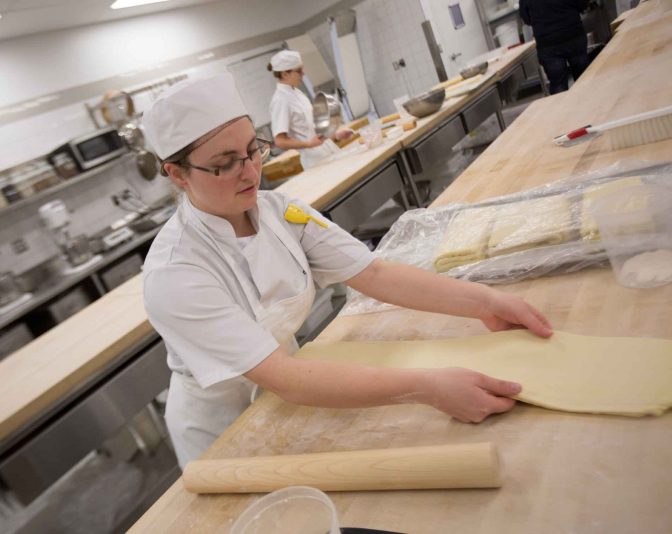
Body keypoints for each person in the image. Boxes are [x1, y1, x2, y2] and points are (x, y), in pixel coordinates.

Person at [141, 74, 554, 467]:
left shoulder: (281, 213)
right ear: (177, 174)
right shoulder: (176, 273)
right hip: (225, 429)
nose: (251, 172)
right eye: (224, 164)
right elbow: (283, 377)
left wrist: (486, 301)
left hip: (294, 393)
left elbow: (374, 275)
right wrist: (426, 387)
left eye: (253, 150)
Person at [267, 49, 353, 168]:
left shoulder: (297, 93)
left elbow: (312, 131)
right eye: (299, 71)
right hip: (316, 162)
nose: (303, 73)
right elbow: (280, 141)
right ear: (285, 74)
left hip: (328, 151)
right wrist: (308, 144)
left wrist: (336, 135)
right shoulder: (280, 100)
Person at [520, 0, 590, 94]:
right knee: (584, 78)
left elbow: (526, 18)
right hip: (572, 34)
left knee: (558, 85)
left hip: (548, 43)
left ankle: (564, 108)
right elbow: (582, 4)